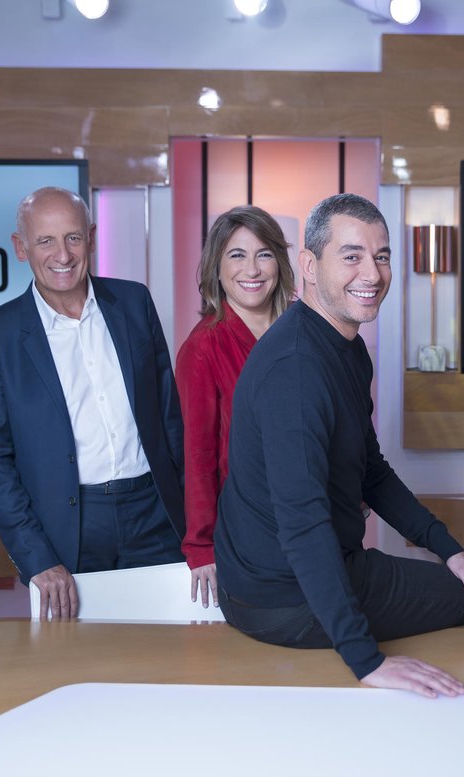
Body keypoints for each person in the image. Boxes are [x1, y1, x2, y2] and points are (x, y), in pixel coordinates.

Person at [214, 193, 464, 699]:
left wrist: (448, 549)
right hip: (282, 598)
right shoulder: (296, 369)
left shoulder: (346, 349)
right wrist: (366, 660)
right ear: (308, 266)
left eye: (381, 256)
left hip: (296, 577)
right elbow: (302, 523)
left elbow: (372, 470)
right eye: (351, 256)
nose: (372, 273)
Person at [0, 187, 186, 620]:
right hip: (69, 530)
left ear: (92, 238)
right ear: (21, 248)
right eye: (45, 241)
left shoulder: (135, 303)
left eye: (72, 237)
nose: (62, 255)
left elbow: (170, 419)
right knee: (79, 655)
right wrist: (36, 558)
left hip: (155, 513)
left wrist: (196, 527)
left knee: (171, 646)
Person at [176, 206, 296, 608]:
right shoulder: (202, 348)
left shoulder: (303, 329)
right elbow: (198, 455)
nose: (252, 269)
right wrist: (201, 546)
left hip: (314, 516)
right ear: (217, 266)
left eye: (264, 254)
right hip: (251, 528)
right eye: (237, 255)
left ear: (279, 262)